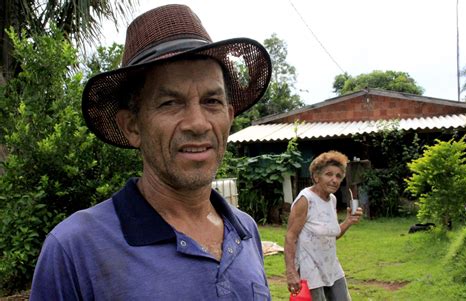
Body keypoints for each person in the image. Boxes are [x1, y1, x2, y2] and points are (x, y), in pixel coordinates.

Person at [30, 4, 272, 300]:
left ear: (229, 116)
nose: (198, 123)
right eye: (170, 103)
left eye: (212, 102)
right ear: (132, 126)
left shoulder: (245, 230)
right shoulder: (75, 248)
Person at [284, 151, 363, 301]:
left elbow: (332, 234)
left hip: (331, 265)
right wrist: (291, 272)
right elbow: (290, 236)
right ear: (316, 176)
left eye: (338, 176)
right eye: (329, 174)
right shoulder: (305, 199)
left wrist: (348, 221)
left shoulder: (331, 199)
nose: (334, 180)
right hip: (310, 268)